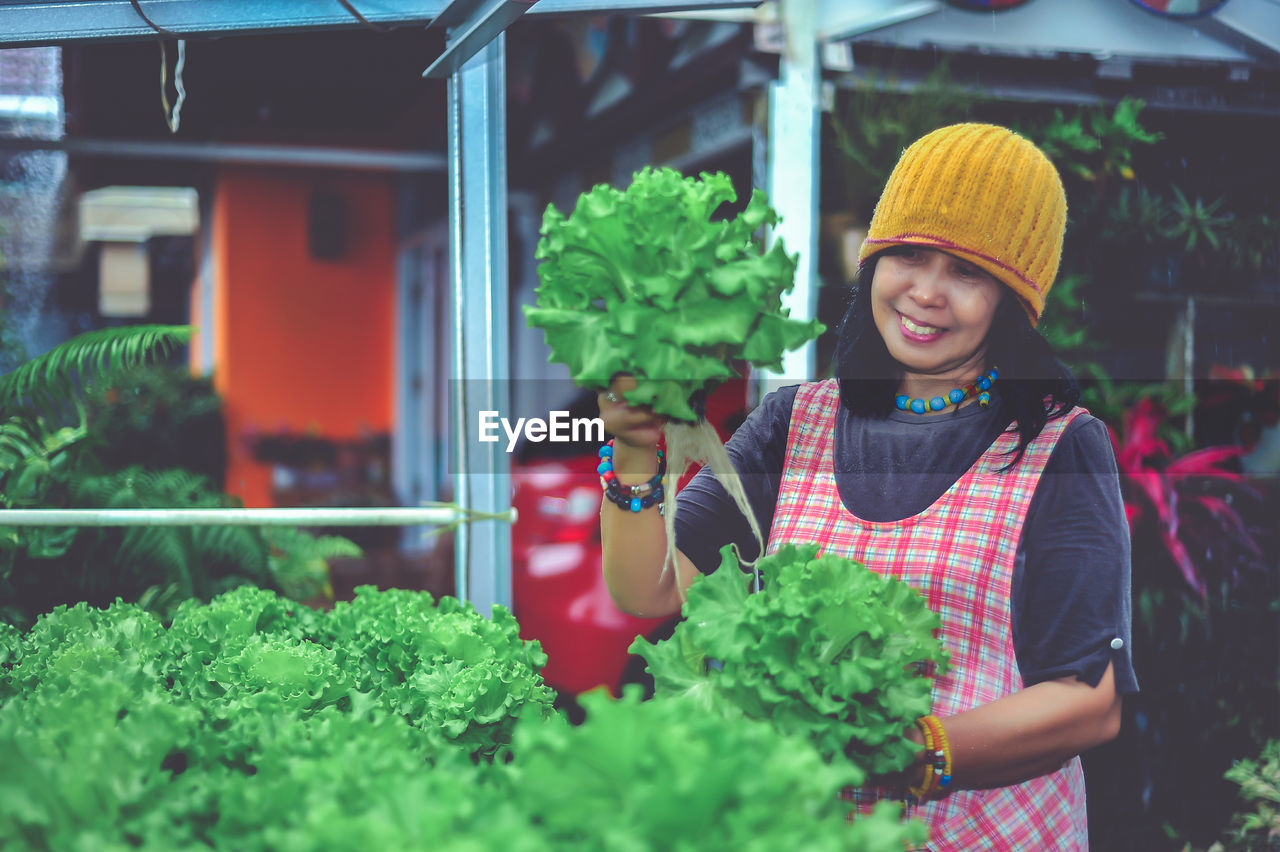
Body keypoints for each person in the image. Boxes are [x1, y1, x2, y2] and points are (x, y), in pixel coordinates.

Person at [597, 123, 1137, 850]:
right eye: (908, 256)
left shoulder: (1061, 447)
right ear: (873, 259)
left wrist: (914, 752)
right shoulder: (795, 422)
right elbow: (652, 592)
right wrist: (635, 453)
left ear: (1013, 300)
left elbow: (1090, 703)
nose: (926, 293)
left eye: (968, 273)